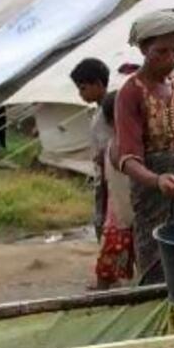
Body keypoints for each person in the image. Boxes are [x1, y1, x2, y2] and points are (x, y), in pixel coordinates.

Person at [115, 9, 174, 284]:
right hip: (152, 191)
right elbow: (127, 159)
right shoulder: (131, 93)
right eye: (161, 52)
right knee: (156, 258)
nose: (171, 59)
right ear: (143, 49)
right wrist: (157, 179)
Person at [94, 94, 135, 290]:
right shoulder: (121, 145)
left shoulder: (114, 143)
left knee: (109, 264)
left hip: (120, 212)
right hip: (124, 216)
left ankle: (105, 295)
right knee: (109, 263)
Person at [70, 58, 112, 242]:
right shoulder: (99, 111)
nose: (80, 94)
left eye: (83, 88)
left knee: (110, 221)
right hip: (102, 174)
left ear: (98, 84)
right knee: (102, 219)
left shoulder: (112, 108)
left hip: (112, 174)